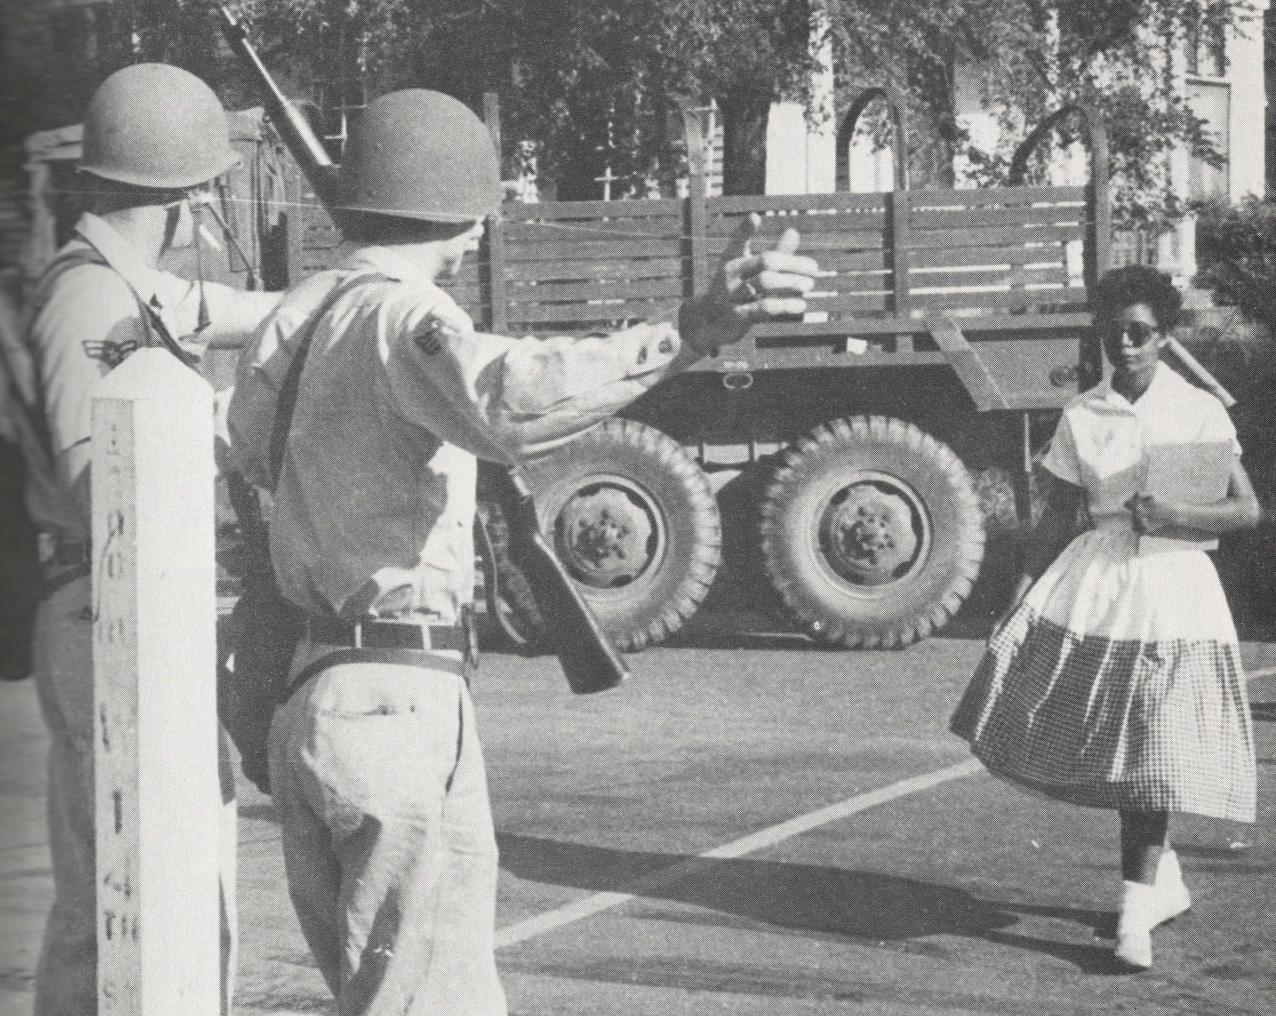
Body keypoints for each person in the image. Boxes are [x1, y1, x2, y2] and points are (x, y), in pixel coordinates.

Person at [227, 88, 820, 1015]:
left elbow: (252, 451)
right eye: (475, 222)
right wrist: (689, 331)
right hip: (399, 697)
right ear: (456, 214)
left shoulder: (294, 319)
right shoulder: (400, 315)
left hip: (307, 694)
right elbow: (512, 397)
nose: (474, 244)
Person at [14, 63, 281, 1016]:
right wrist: (214, 428)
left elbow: (240, 314)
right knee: (133, 895)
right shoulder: (94, 305)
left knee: (127, 893)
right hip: (109, 611)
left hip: (114, 612)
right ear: (196, 202)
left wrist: (341, 300)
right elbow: (107, 489)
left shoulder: (123, 287)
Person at [951, 264, 1260, 971]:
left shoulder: (1199, 410)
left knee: (1151, 755)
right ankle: (1161, 878)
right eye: (1113, 333)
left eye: (1141, 333)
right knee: (1112, 750)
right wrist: (1015, 598)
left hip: (1174, 592)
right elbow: (1056, 516)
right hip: (1098, 592)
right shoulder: (1083, 414)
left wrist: (1178, 513)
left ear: (1165, 335)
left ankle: (1132, 917)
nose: (1126, 346)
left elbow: (1246, 510)